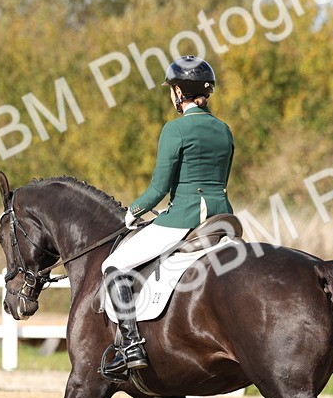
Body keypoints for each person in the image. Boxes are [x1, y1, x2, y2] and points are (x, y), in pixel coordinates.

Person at [100, 56, 235, 379]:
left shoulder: (175, 129)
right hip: (222, 217)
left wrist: (133, 212)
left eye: (173, 89)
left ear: (179, 92)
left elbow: (159, 187)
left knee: (113, 265)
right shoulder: (224, 130)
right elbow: (219, 179)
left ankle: (130, 345)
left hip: (185, 218)